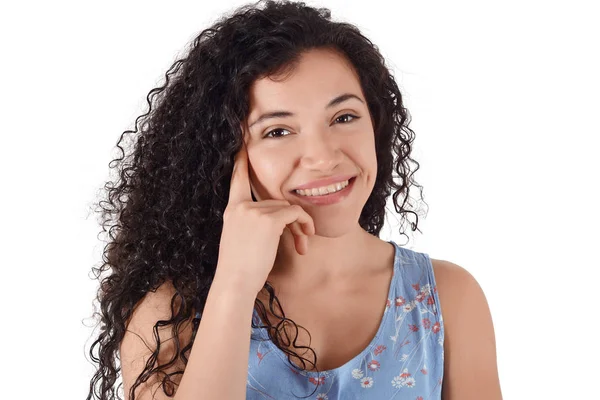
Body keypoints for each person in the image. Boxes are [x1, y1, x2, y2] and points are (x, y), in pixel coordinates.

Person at [85, 1, 502, 399]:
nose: (323, 156)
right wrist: (234, 284)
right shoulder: (167, 314)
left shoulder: (446, 298)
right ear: (223, 154)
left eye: (344, 118)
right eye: (278, 131)